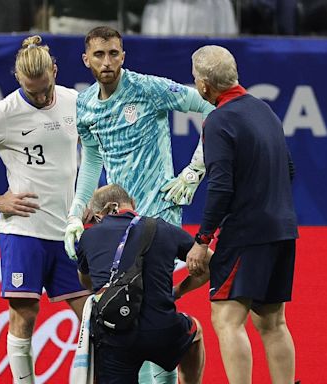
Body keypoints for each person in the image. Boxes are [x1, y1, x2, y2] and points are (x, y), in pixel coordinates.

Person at [63, 26, 214, 383]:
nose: (107, 61)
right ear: (86, 60)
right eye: (99, 54)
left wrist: (193, 171)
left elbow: (212, 107)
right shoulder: (84, 106)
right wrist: (74, 213)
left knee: (154, 316)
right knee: (129, 319)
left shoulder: (148, 88)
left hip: (157, 218)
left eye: (114, 53)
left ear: (123, 56)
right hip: (117, 225)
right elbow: (92, 163)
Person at [0, 36, 89, 384]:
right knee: (24, 314)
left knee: (90, 315)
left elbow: (96, 153)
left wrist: (88, 200)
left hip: (68, 231)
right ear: (17, 79)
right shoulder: (4, 111)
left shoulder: (75, 101)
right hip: (23, 231)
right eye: (32, 90)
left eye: (44, 89)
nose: (40, 98)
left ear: (55, 71)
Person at [186, 45, 299, 384]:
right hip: (282, 228)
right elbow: (288, 169)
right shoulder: (265, 111)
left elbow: (220, 187)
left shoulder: (218, 120)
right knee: (272, 321)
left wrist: (202, 240)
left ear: (205, 85)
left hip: (246, 233)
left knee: (225, 318)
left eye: (195, 81)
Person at [76, 184, 209, 384]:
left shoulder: (88, 236)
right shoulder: (162, 228)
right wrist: (178, 291)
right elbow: (209, 263)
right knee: (195, 331)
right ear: (133, 204)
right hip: (161, 329)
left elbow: (85, 281)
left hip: (114, 335)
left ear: (105, 211)